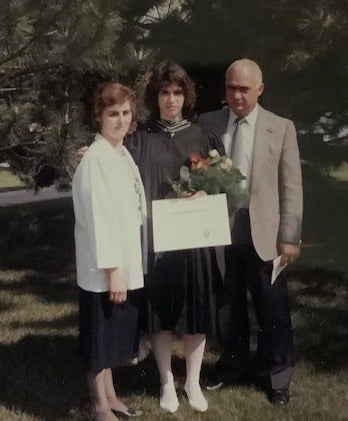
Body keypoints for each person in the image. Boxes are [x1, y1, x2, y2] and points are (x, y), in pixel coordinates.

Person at [199, 58, 302, 404]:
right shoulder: (209, 123)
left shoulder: (281, 127)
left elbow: (291, 187)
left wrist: (290, 236)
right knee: (228, 304)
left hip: (267, 232)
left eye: (245, 89)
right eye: (231, 88)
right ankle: (231, 365)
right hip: (222, 228)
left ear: (260, 89)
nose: (238, 95)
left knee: (271, 306)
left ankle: (276, 377)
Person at [127, 61, 220, 414]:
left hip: (195, 241)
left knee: (196, 312)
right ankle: (166, 380)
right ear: (156, 97)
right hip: (157, 242)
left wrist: (205, 194)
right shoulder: (140, 139)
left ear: (186, 96)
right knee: (160, 314)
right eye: (164, 93)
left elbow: (222, 182)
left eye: (177, 92)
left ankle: (192, 381)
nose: (171, 100)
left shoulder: (203, 136)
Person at [72, 82, 146, 421]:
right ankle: (99, 404)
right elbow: (100, 219)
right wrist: (113, 269)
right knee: (99, 341)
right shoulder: (98, 159)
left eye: (125, 113)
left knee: (111, 337)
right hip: (103, 269)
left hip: (121, 262)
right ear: (98, 116)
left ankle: (112, 396)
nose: (119, 120)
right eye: (112, 113)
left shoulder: (120, 153)